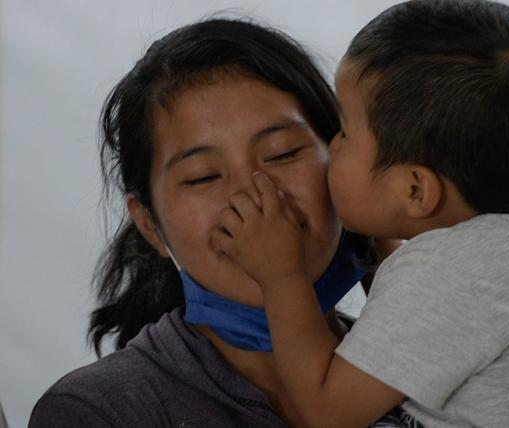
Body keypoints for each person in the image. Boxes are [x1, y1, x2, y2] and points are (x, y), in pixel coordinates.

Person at [215, 1, 509, 427]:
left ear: (415, 191)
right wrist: (383, 243)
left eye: (345, 132)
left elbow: (326, 412)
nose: (332, 146)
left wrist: (281, 274)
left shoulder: (449, 275)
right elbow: (428, 330)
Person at [28, 18, 403, 428]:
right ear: (150, 224)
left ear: (343, 163)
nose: (254, 197)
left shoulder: (429, 358)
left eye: (282, 153)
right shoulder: (98, 411)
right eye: (203, 177)